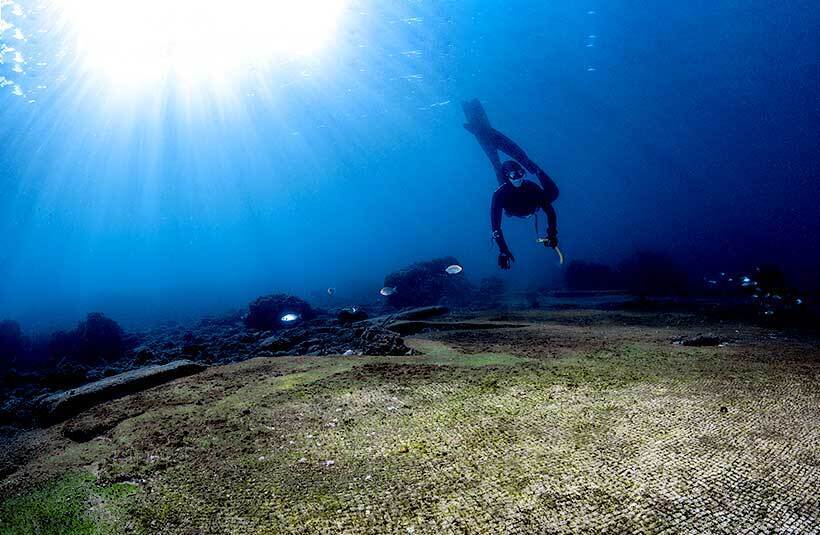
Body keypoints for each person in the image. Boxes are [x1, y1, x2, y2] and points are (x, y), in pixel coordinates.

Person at [462, 99, 560, 270]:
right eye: (513, 176)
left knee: (552, 192)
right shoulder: (500, 194)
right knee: (498, 165)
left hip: (528, 201)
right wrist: (503, 250)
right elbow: (495, 226)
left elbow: (550, 212)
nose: (518, 178)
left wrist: (552, 233)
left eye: (520, 174)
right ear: (508, 177)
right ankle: (483, 130)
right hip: (514, 201)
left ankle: (531, 166)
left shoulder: (531, 188)